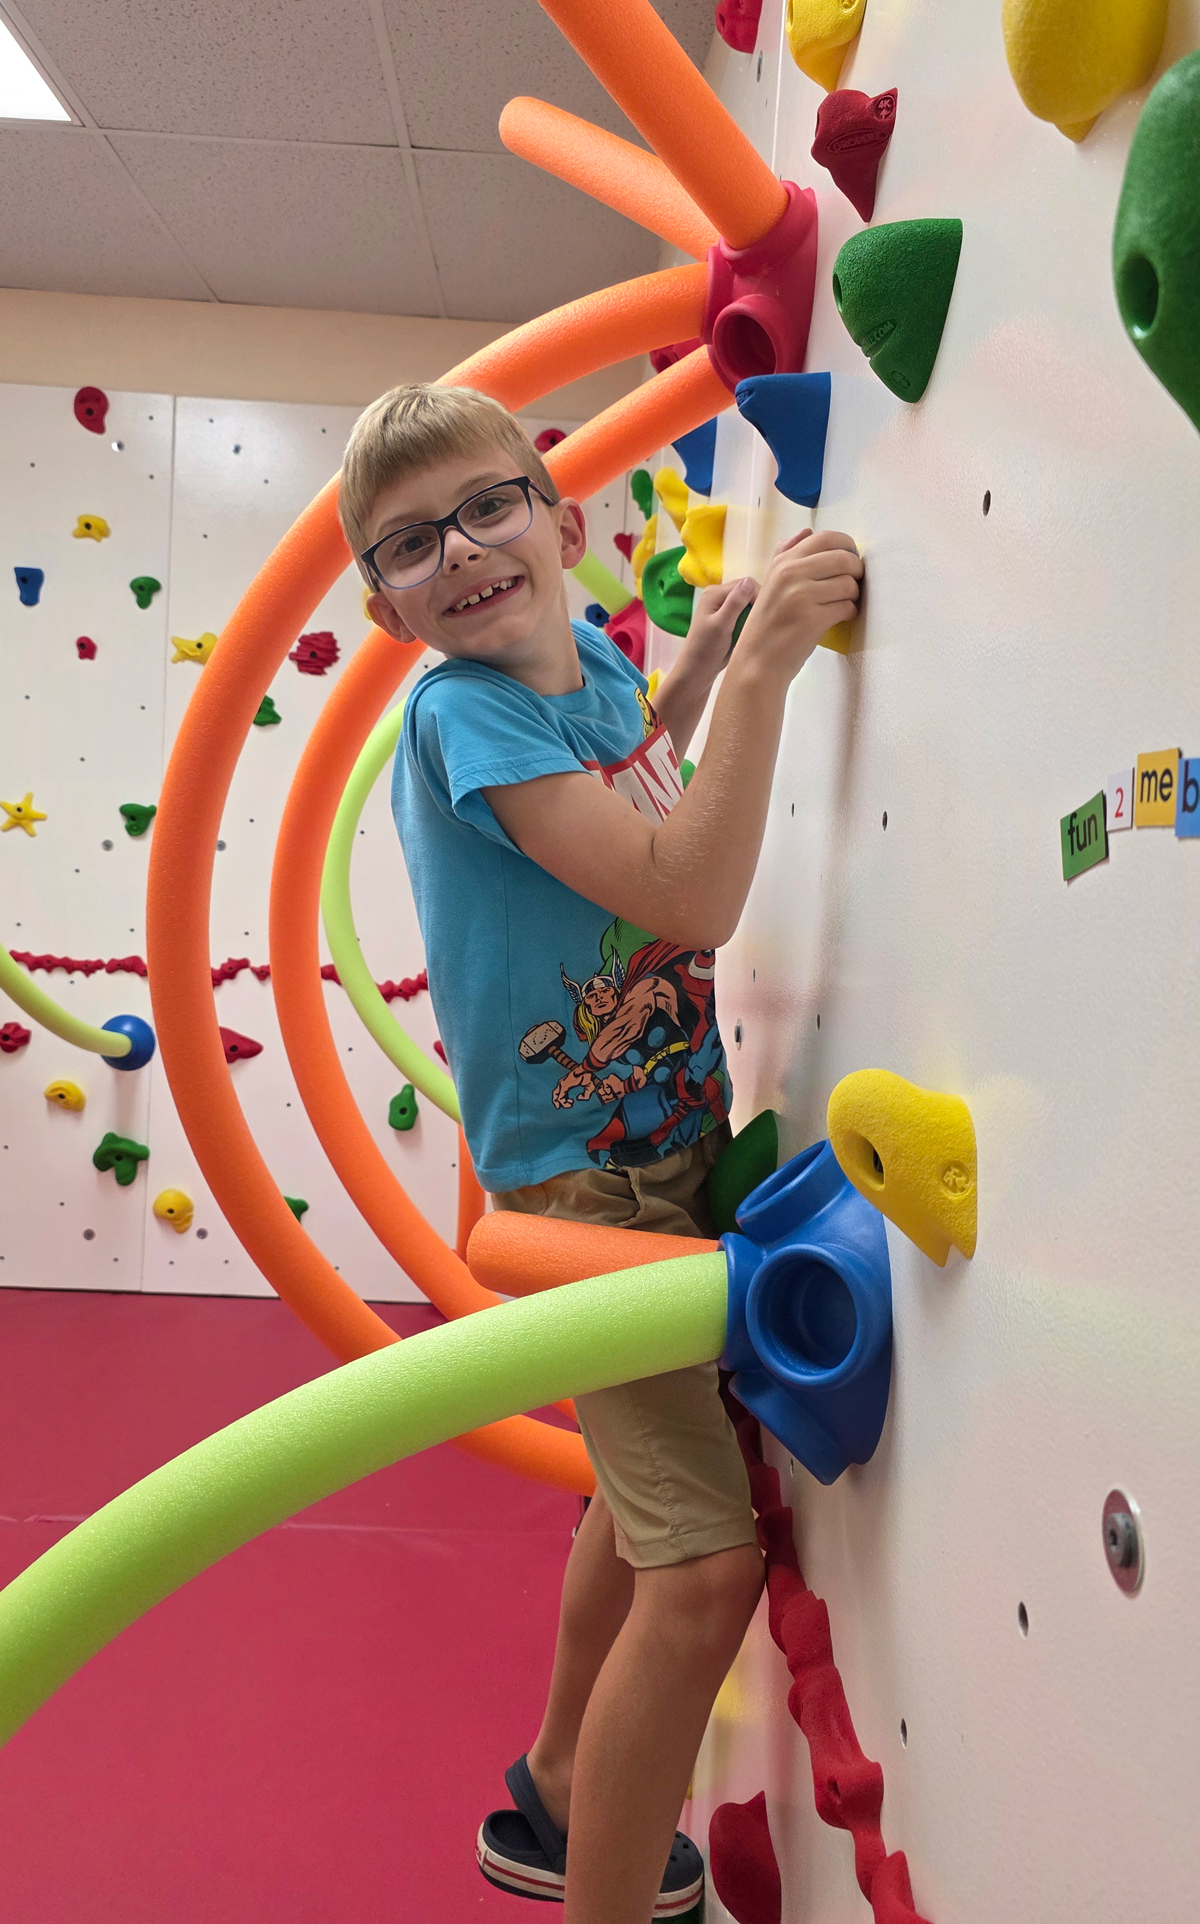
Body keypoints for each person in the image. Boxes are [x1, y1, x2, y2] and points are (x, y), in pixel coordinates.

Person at [338, 383, 863, 1924]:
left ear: (563, 521)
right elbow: (681, 893)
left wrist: (695, 674)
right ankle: (597, 1881)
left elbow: (628, 776)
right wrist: (765, 677)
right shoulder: (460, 711)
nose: (461, 552)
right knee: (702, 1580)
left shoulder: (595, 674)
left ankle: (562, 1787)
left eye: (488, 507)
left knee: (636, 1522)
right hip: (586, 1191)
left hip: (665, 1151)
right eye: (410, 545)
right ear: (387, 607)